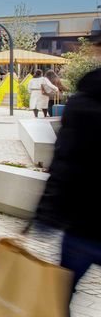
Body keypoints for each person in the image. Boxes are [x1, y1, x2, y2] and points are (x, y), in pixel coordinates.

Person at [34, 67, 101, 311]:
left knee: (59, 296)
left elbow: (64, 162)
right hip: (82, 224)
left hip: (82, 222)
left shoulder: (83, 102)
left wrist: (45, 213)